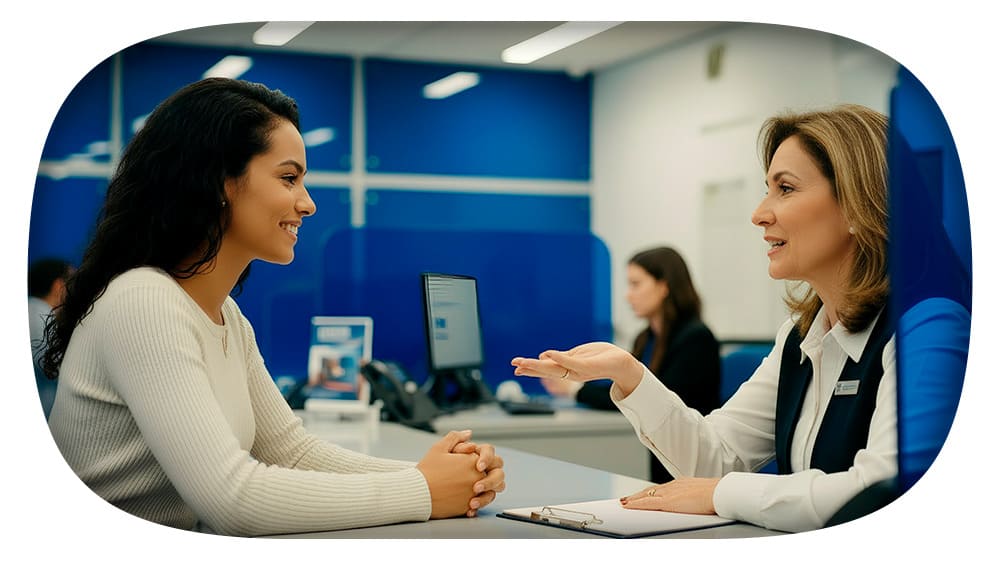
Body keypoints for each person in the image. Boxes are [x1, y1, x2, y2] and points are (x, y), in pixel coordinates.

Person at [42, 77, 505, 536]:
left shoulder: (227, 316)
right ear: (218, 182)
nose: (308, 204)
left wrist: (441, 477)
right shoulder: (143, 301)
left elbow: (292, 453)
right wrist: (423, 489)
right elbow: (232, 500)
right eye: (289, 178)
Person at [512, 104, 896, 533]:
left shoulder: (921, 334)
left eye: (785, 189)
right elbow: (714, 459)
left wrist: (718, 493)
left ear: (857, 204)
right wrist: (629, 374)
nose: (759, 213)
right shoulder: (801, 338)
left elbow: (878, 492)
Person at [540, 246, 720, 483]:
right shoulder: (646, 338)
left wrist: (575, 389)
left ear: (664, 286)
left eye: (636, 284)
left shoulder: (696, 339)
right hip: (657, 454)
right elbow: (626, 389)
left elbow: (650, 400)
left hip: (685, 466)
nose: (628, 295)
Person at [28, 258, 72, 419]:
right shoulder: (41, 318)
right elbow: (59, 370)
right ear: (58, 286)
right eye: (73, 282)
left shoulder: (32, 311)